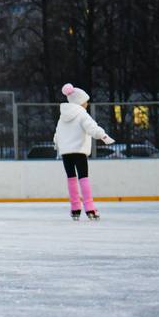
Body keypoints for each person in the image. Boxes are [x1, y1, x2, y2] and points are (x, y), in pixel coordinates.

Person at [54, 82, 115, 221]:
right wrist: (103, 136)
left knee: (71, 179)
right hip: (79, 151)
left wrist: (57, 144)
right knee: (83, 178)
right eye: (85, 101)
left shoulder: (62, 116)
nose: (87, 104)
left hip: (66, 152)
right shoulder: (82, 114)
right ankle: (90, 208)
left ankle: (75, 208)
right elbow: (92, 127)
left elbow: (58, 133)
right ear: (80, 102)